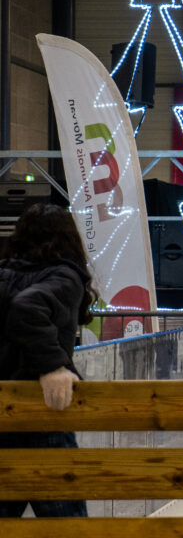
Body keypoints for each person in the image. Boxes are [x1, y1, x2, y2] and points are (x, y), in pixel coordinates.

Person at [0, 203, 97, 519]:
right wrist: (52, 366)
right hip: (44, 412)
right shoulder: (65, 277)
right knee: (67, 530)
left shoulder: (4, 274)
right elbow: (27, 307)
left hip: (5, 411)